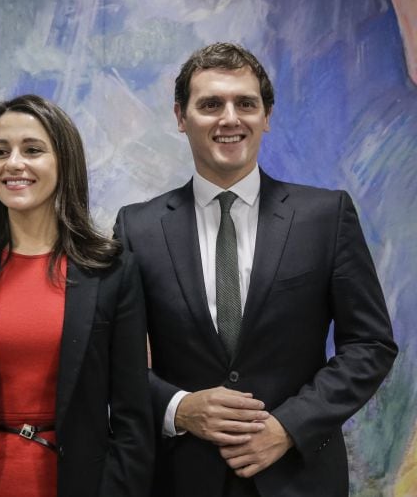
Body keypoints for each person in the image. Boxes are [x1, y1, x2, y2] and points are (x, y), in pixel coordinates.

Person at [114, 43, 398, 497]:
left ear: (266, 116)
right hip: (179, 479)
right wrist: (179, 408)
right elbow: (113, 358)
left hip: (298, 475)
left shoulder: (326, 216)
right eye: (210, 104)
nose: (230, 118)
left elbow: (370, 344)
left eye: (245, 103)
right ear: (180, 117)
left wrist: (288, 425)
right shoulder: (137, 227)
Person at [0, 94, 152, 497]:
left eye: (33, 150)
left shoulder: (112, 272)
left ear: (63, 162)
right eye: (0, 151)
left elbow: (133, 421)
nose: (14, 163)